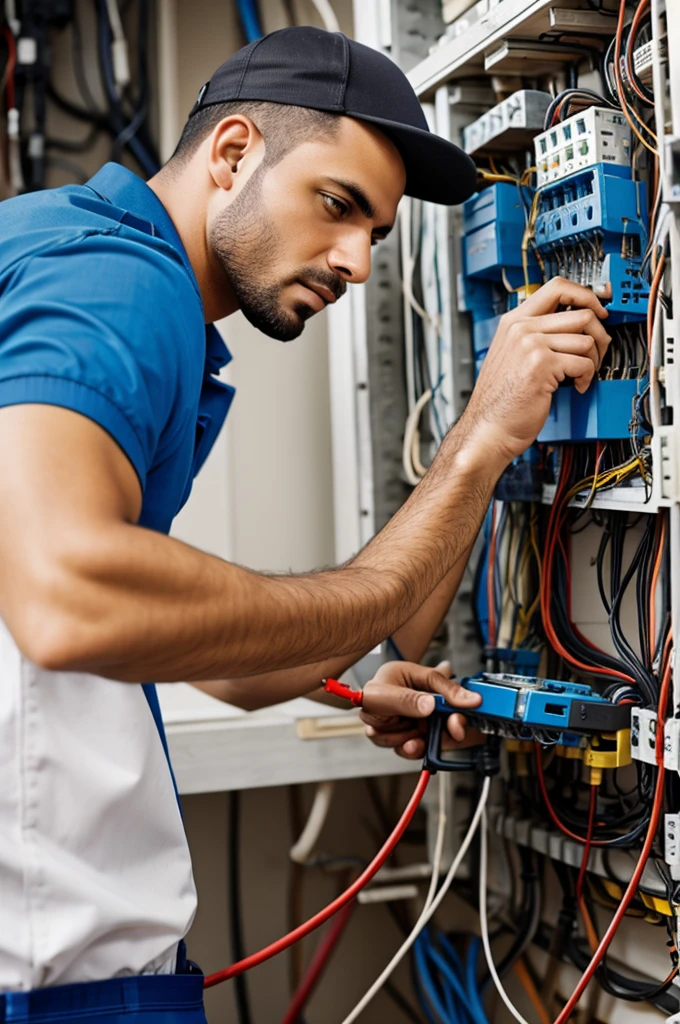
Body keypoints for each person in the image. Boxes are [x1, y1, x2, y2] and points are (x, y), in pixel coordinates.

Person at [0, 24, 611, 1022]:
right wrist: (462, 460)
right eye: (337, 205)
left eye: (374, 232)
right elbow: (70, 596)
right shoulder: (118, 278)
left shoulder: (48, 242)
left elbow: (211, 656)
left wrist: (348, 667)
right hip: (45, 982)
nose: (357, 262)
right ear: (233, 152)